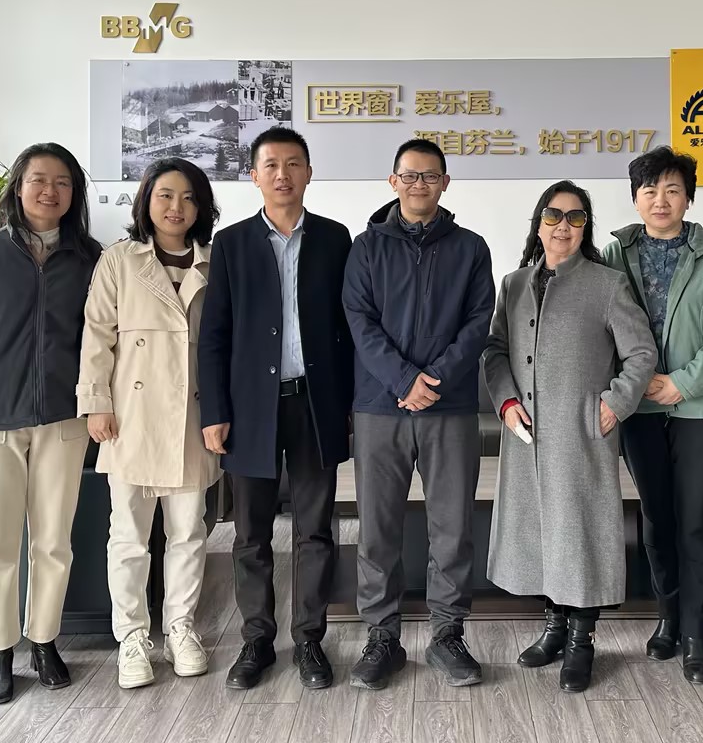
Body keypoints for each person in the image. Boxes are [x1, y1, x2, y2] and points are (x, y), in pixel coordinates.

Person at [0, 142, 104, 706]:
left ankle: (45, 641)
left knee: (54, 542)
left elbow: (104, 338)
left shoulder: (91, 258)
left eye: (62, 182)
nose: (50, 191)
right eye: (38, 180)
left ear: (74, 193)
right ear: (18, 188)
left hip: (64, 419)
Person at [482, 181, 657, 693]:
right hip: (527, 435)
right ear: (538, 223)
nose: (564, 225)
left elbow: (641, 353)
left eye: (576, 217)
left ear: (586, 228)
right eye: (554, 215)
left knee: (580, 534)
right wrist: (506, 402)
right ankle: (554, 628)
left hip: (581, 434)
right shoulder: (514, 283)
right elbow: (494, 350)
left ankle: (582, 640)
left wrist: (614, 403)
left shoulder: (607, 284)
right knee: (539, 532)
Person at [196, 127, 354, 691]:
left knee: (316, 530)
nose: (282, 174)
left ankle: (310, 639)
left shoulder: (335, 239)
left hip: (316, 405)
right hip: (249, 410)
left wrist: (349, 405)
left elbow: (349, 329)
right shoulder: (232, 244)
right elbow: (214, 336)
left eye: (293, 164)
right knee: (250, 534)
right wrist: (214, 410)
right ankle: (257, 640)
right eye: (271, 165)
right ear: (254, 175)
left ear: (308, 172)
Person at [341, 138, 495, 691]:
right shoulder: (366, 248)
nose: (419, 184)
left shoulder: (470, 248)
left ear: (445, 183)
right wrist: (403, 380)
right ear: (393, 182)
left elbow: (478, 322)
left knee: (452, 527)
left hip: (448, 407)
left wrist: (433, 381)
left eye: (430, 176)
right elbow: (359, 321)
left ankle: (447, 635)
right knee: (377, 528)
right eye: (409, 175)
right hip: (380, 406)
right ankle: (382, 637)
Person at [602, 147, 703, 684]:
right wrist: (634, 384)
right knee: (657, 519)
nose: (660, 200)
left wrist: (682, 383)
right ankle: (667, 617)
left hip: (702, 405)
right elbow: (599, 323)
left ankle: (696, 633)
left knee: (697, 522)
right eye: (650, 190)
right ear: (635, 198)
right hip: (639, 406)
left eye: (672, 190)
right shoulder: (614, 253)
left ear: (688, 197)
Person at [78, 158, 223, 689]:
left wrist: (223, 413)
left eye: (188, 197)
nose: (176, 207)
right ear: (146, 201)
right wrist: (96, 401)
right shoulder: (120, 259)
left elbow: (224, 344)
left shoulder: (214, 262)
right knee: (129, 536)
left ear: (201, 207)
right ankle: (133, 637)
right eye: (165, 195)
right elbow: (97, 335)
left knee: (188, 531)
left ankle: (181, 627)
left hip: (193, 416)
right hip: (131, 417)